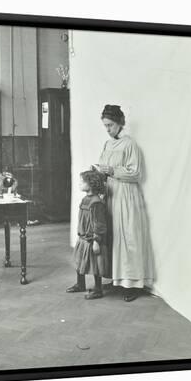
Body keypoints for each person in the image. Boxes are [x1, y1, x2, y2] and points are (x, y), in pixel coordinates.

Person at [95, 104, 155, 302]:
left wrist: (111, 171)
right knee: (113, 236)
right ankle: (116, 279)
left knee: (128, 237)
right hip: (111, 194)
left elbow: (136, 173)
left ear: (120, 123)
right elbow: (104, 167)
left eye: (110, 125)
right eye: (105, 126)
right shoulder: (107, 144)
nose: (108, 129)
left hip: (126, 195)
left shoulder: (130, 145)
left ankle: (132, 284)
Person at [66, 170, 110, 299]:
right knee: (79, 261)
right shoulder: (86, 199)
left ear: (91, 184)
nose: (80, 184)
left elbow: (99, 223)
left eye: (82, 182)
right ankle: (80, 284)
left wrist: (97, 240)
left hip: (92, 239)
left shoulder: (96, 202)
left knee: (96, 265)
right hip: (83, 238)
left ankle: (98, 289)